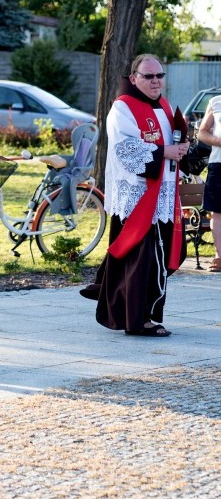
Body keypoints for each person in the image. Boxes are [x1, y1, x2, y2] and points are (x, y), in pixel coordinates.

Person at [80, 54, 189, 336]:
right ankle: (138, 320)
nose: (156, 81)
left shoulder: (163, 106)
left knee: (158, 258)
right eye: (149, 76)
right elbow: (125, 149)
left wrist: (181, 146)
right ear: (134, 78)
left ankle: (117, 296)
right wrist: (165, 151)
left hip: (162, 192)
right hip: (139, 196)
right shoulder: (123, 109)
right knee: (144, 261)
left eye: (160, 76)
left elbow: (168, 143)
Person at [197, 93, 221, 271]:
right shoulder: (216, 101)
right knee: (218, 213)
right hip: (218, 164)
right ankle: (220, 257)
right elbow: (202, 133)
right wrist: (218, 141)